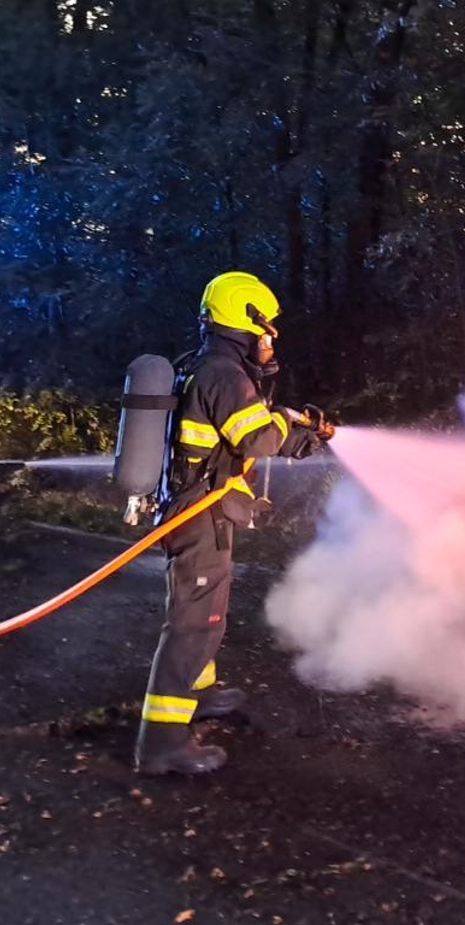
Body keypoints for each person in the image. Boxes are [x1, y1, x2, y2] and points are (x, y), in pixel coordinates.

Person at [135, 271, 328, 776]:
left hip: (200, 511)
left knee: (207, 614)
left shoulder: (206, 367)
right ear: (243, 322)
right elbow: (259, 440)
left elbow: (245, 430)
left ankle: (199, 693)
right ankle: (161, 744)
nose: (270, 340)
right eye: (265, 330)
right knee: (192, 625)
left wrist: (289, 423)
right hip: (199, 516)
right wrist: (294, 425)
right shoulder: (224, 374)